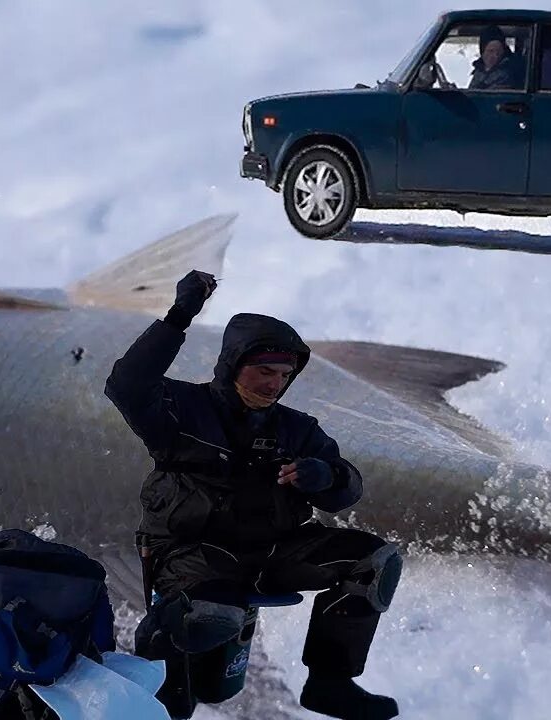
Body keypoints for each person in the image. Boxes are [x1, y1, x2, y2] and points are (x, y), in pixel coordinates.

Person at [104, 270, 402, 720]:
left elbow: (348, 488)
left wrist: (326, 477)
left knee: (373, 563)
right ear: (232, 364)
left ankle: (331, 682)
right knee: (209, 619)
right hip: (191, 553)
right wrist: (179, 314)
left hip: (273, 551)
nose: (274, 383)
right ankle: (164, 683)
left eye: (284, 374)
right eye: (264, 371)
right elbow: (125, 385)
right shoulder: (180, 410)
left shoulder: (297, 428)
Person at [468, 25, 526, 91]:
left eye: (499, 52)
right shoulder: (479, 70)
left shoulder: (509, 71)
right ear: (482, 51)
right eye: (490, 51)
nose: (495, 56)